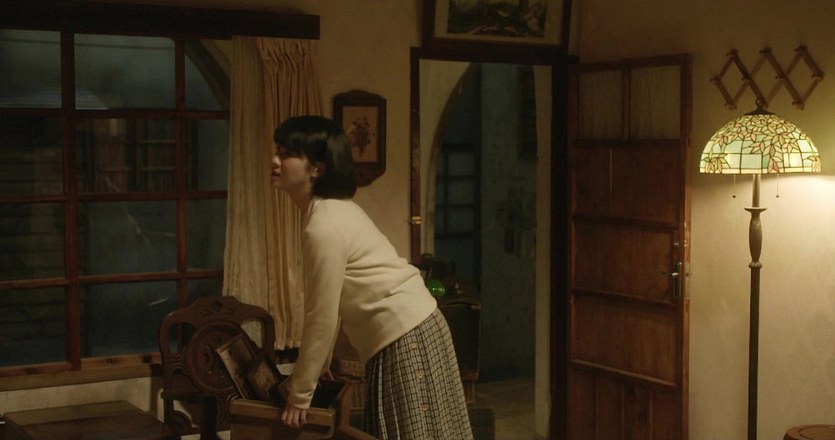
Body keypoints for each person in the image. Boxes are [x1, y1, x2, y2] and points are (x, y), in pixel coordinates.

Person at [271, 115, 473, 439]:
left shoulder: (323, 224)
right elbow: (332, 303)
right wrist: (320, 367)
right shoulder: (330, 210)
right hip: (414, 328)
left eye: (286, 154)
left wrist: (300, 395)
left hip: (404, 336)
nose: (275, 160)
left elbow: (321, 314)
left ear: (317, 168)